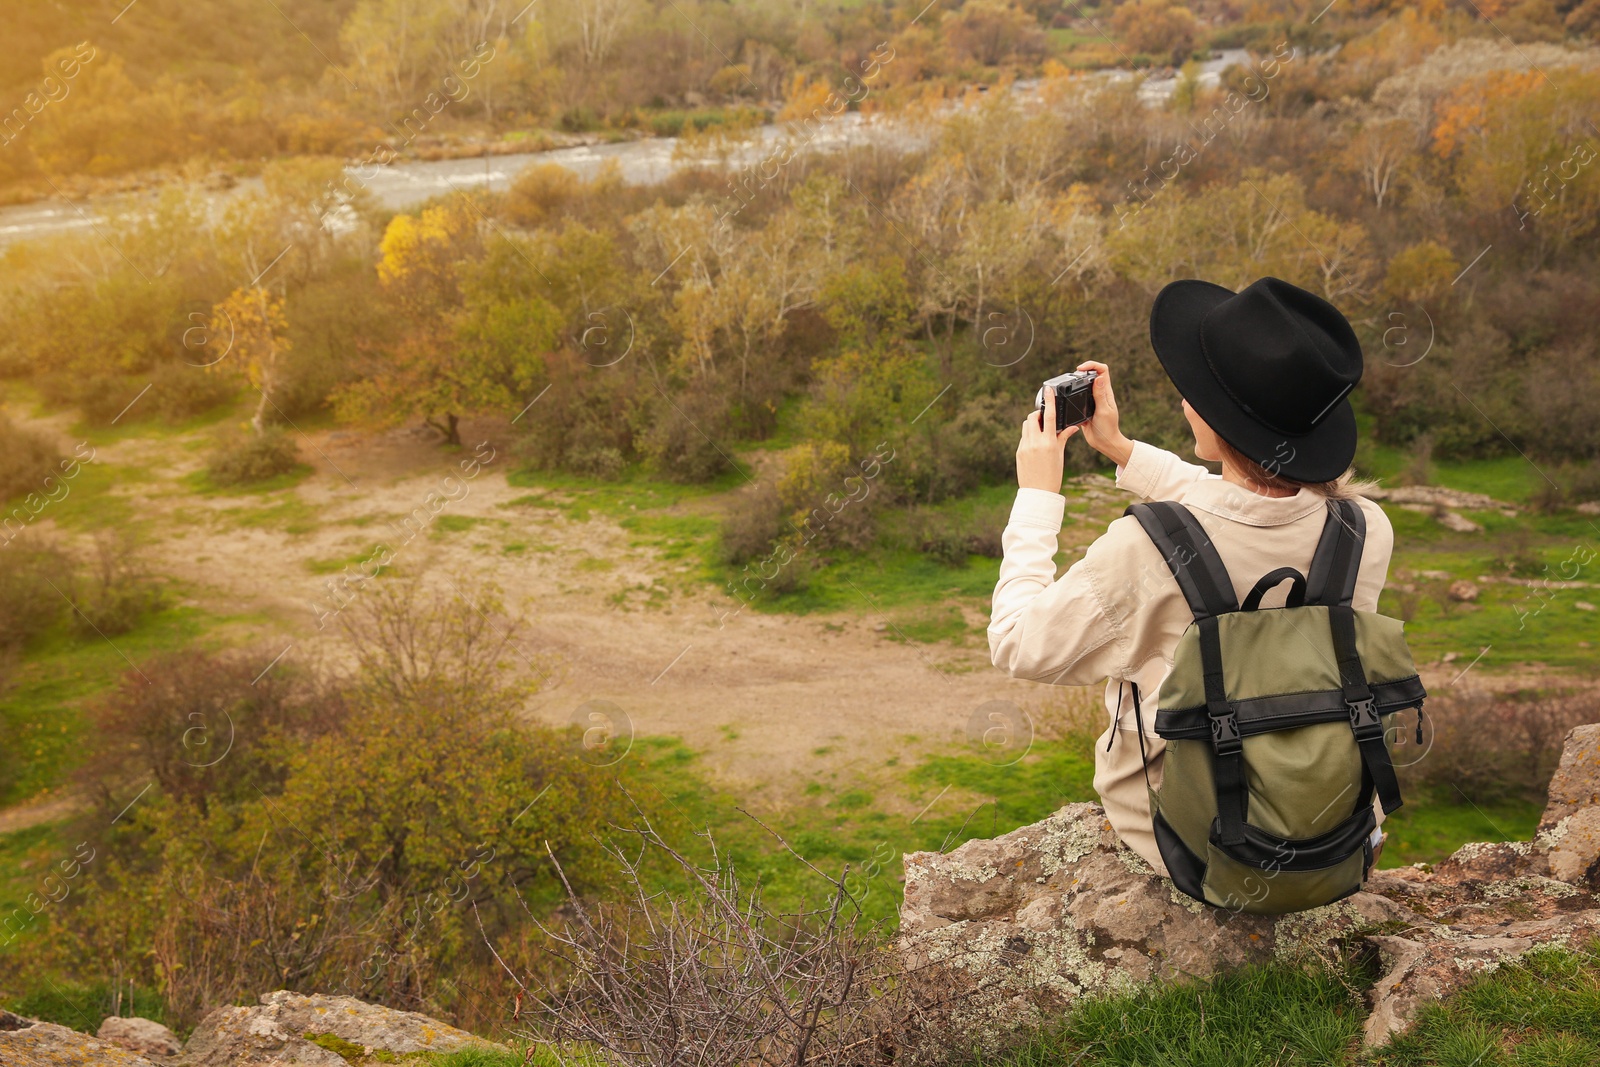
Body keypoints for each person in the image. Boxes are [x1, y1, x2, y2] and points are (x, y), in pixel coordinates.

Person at [988, 276, 1393, 874]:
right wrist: (1124, 450)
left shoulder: (1146, 551)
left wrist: (1038, 496)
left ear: (1215, 417)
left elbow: (1018, 643)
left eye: (1193, 390)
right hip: (1337, 831)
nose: (1184, 400)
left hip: (1192, 842)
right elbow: (1249, 507)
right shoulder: (1363, 530)